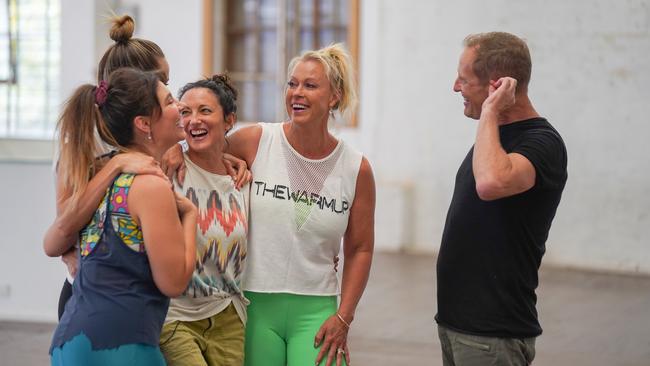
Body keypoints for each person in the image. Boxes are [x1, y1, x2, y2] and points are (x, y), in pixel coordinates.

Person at [163, 43, 375, 366]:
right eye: (292, 84)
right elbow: (203, 149)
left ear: (334, 96)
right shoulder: (258, 140)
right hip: (254, 306)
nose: (296, 93)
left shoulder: (356, 168)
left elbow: (360, 248)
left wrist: (344, 317)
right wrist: (176, 149)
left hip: (317, 309)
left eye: (310, 85)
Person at [43, 14, 247, 320]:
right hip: (93, 298)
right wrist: (115, 167)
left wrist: (216, 154)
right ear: (134, 88)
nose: (170, 93)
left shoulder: (161, 145)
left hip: (142, 298)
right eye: (162, 83)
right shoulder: (86, 140)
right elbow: (62, 230)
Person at [45, 67, 197, 365]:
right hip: (121, 342)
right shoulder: (149, 185)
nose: (179, 106)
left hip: (70, 342)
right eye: (168, 101)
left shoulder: (101, 174)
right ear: (143, 123)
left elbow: (53, 241)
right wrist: (190, 216)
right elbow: (174, 282)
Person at [435, 32, 568, 366]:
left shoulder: (542, 143)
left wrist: (491, 112)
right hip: (460, 327)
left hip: (493, 336)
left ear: (496, 87)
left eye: (464, 80)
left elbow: (491, 183)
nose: (455, 87)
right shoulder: (494, 138)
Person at [158, 75, 249, 365]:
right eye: (185, 112)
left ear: (229, 120)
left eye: (205, 111)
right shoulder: (168, 170)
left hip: (228, 317)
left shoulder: (242, 180)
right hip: (176, 316)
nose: (194, 120)